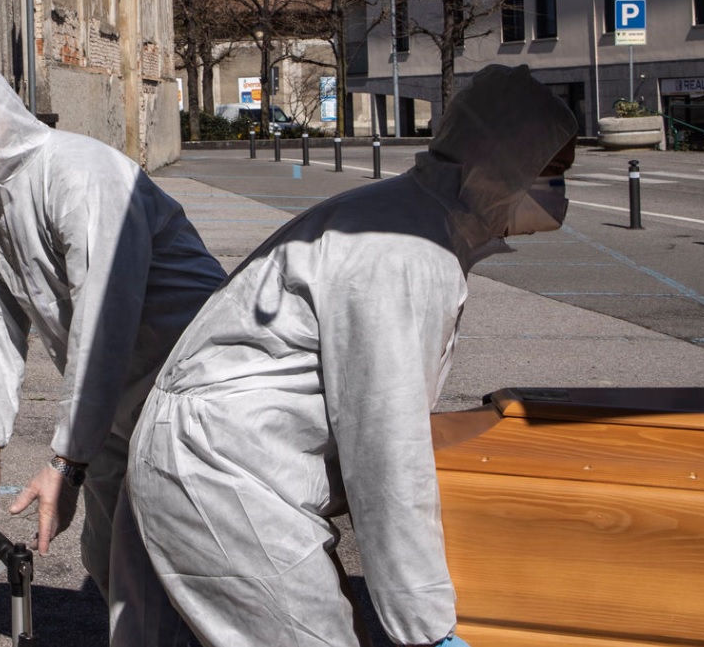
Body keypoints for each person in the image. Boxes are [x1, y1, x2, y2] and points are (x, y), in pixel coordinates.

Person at [129, 64, 577, 647]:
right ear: (502, 166)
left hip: (238, 465)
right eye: (550, 174)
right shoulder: (403, 254)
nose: (558, 193)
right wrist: (424, 627)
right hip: (225, 474)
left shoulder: (413, 223)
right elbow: (386, 445)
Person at [0, 52, 226, 646]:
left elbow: (103, 321)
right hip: (113, 407)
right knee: (112, 560)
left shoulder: (80, 173)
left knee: (212, 562)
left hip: (200, 393)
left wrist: (65, 462)